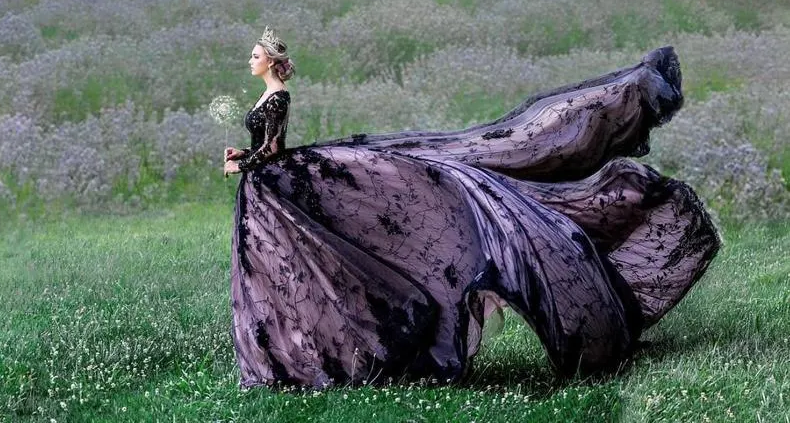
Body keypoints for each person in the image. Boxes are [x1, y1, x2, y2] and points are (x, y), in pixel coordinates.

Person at [224, 30, 720, 390]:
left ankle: (312, 353)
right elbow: (268, 151)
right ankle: (293, 352)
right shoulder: (268, 96)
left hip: (270, 177)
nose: (250, 59)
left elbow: (273, 149)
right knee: (289, 263)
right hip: (269, 183)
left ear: (272, 62)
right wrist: (247, 158)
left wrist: (239, 162)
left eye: (255, 54)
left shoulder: (278, 98)